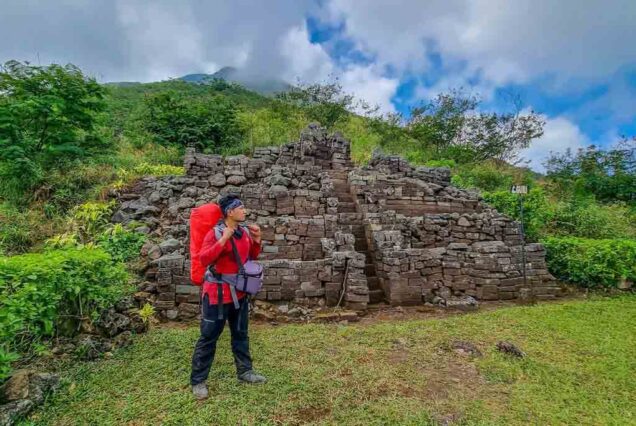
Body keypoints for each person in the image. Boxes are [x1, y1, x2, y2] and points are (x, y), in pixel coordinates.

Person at [190, 194, 266, 400]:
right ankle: (198, 380)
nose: (245, 211)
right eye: (240, 208)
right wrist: (224, 238)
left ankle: (245, 371)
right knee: (208, 338)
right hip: (217, 296)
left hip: (239, 294)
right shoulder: (214, 233)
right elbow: (204, 258)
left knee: (241, 334)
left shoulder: (243, 233)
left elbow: (249, 258)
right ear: (229, 212)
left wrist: (257, 240)